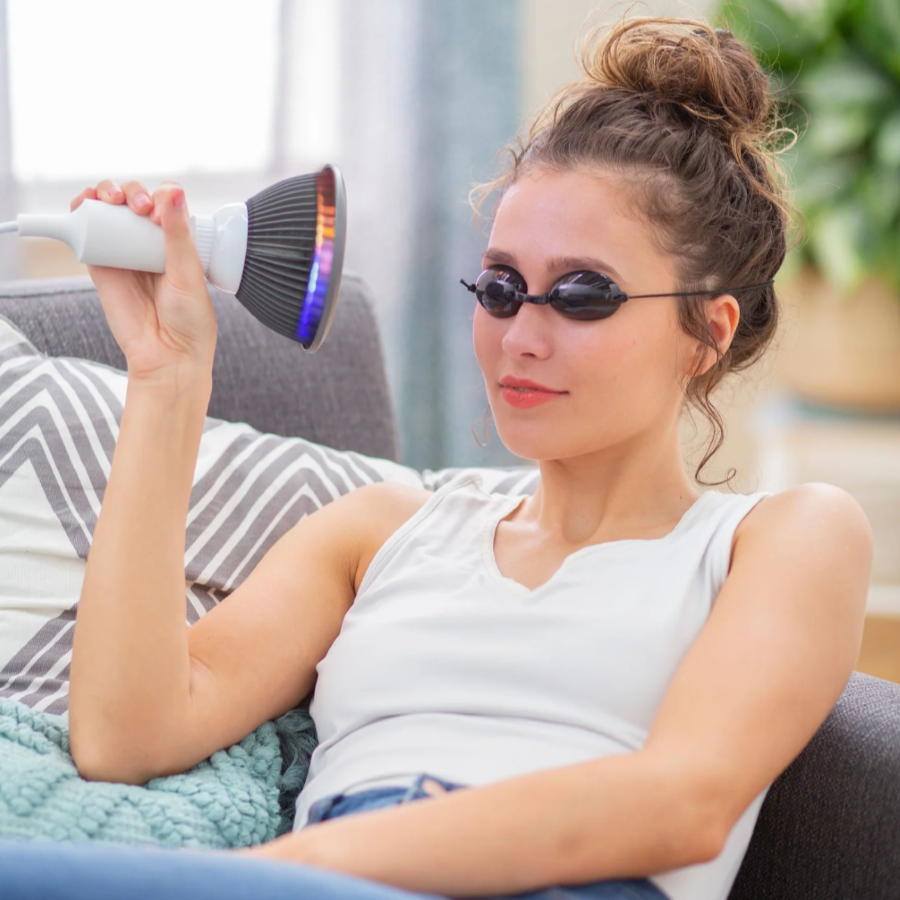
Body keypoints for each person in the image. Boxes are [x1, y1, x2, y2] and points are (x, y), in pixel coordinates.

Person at [1, 16, 872, 900]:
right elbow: (128, 739)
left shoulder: (782, 536)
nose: (521, 338)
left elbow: (681, 803)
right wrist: (167, 376)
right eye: (499, 287)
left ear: (706, 335)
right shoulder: (378, 535)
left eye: (582, 295)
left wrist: (281, 871)